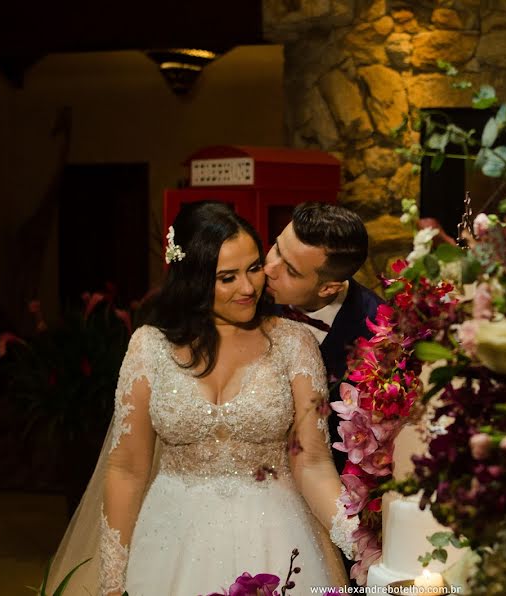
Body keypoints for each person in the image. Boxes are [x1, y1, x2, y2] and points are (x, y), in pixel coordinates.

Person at [46, 201, 356, 595]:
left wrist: (360, 541)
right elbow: (127, 468)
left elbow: (311, 461)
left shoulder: (294, 343)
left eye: (254, 268)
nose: (248, 288)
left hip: (276, 537)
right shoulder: (149, 347)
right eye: (227, 277)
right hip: (169, 541)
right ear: (192, 278)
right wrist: (112, 580)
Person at [263, 202, 383, 474]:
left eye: (291, 271)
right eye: (276, 248)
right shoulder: (247, 298)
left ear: (329, 287)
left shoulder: (377, 334)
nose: (269, 268)